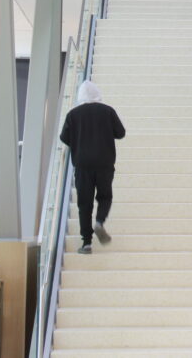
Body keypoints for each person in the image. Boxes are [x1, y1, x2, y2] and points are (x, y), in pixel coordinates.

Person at [60, 80, 126, 254]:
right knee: (104, 196)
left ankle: (87, 243)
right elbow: (121, 133)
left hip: (83, 165)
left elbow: (64, 137)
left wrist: (79, 140)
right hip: (104, 162)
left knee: (84, 203)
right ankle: (99, 222)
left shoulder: (73, 115)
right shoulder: (108, 111)